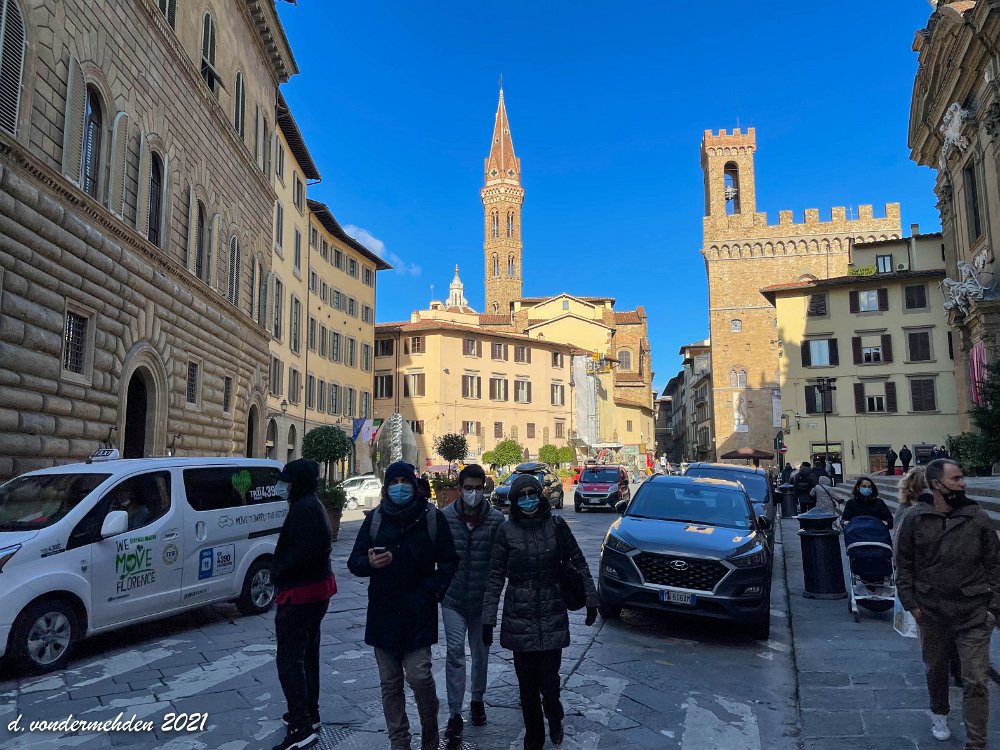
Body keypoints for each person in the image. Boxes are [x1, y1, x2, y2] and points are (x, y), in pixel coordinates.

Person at [482, 474, 599, 750]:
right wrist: (488, 619)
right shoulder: (505, 531)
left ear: (539, 495)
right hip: (518, 614)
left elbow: (579, 561)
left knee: (550, 680)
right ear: (514, 500)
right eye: (522, 496)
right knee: (526, 685)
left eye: (531, 493)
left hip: (551, 609)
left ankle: (554, 713)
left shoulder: (557, 525)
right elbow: (495, 575)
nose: (527, 499)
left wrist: (591, 599)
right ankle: (533, 736)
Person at [348, 462, 459, 750]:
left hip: (418, 612)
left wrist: (432, 591)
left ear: (414, 485)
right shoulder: (375, 518)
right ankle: (399, 741)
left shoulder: (431, 517)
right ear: (386, 487)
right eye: (394, 482)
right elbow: (354, 562)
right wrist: (369, 563)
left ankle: (430, 732)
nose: (400, 487)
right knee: (390, 683)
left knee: (420, 676)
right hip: (383, 612)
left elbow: (449, 561)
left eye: (405, 481)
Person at [896, 459, 1000, 748]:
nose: (962, 483)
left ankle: (976, 742)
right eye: (955, 479)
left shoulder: (977, 517)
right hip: (931, 610)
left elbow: (995, 563)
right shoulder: (915, 518)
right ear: (936, 484)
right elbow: (903, 564)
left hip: (974, 611)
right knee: (936, 668)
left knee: (976, 679)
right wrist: (911, 604)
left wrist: (992, 608)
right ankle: (939, 712)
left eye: (962, 477)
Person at [271, 459, 336, 750]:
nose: (283, 486)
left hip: (300, 593)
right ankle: (310, 712)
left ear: (298, 482)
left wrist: (278, 573)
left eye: (287, 481)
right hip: (316, 591)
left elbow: (301, 553)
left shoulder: (302, 509)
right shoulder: (312, 505)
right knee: (308, 653)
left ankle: (300, 726)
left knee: (290, 659)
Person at [441, 465, 504, 741]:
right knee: (455, 652)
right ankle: (455, 713)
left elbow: (500, 564)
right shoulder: (445, 517)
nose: (474, 493)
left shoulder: (496, 520)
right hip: (453, 598)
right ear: (460, 488)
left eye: (478, 488)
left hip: (482, 601)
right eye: (469, 488)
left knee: (481, 652)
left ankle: (477, 699)